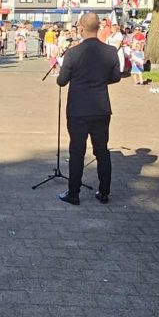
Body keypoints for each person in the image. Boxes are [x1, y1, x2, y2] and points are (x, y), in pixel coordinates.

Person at [56, 13, 121, 205]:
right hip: (101, 108)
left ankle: (73, 193)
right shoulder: (110, 51)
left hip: (78, 109)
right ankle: (104, 193)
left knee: (77, 151)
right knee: (102, 151)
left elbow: (62, 81)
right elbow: (116, 77)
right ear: (98, 28)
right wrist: (99, 81)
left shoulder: (73, 53)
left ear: (81, 28)